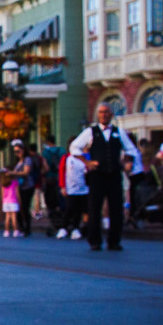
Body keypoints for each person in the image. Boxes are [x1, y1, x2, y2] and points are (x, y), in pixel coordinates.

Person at [70, 104, 140, 250]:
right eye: (101, 112)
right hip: (97, 175)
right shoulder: (91, 132)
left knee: (116, 208)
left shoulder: (118, 132)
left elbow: (131, 149)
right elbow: (74, 147)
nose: (104, 115)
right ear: (98, 115)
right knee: (94, 208)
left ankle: (114, 241)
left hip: (114, 174)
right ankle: (94, 241)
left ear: (111, 114)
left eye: (106, 112)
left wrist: (128, 161)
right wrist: (87, 162)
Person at [57, 136, 88, 241]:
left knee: (79, 209)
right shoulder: (66, 158)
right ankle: (63, 227)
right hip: (70, 188)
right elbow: (62, 172)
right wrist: (62, 187)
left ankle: (75, 228)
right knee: (69, 208)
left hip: (83, 188)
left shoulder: (83, 158)